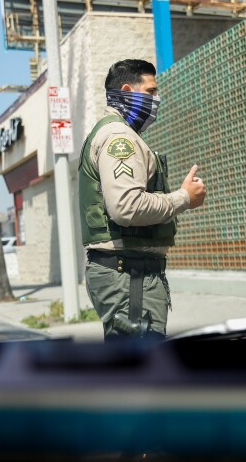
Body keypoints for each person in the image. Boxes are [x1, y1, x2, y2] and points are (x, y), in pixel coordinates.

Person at [78, 59, 206, 340]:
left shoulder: (114, 133)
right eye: (151, 92)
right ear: (127, 90)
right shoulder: (119, 138)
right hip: (130, 277)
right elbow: (127, 207)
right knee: (138, 374)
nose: (156, 99)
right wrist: (184, 198)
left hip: (130, 273)